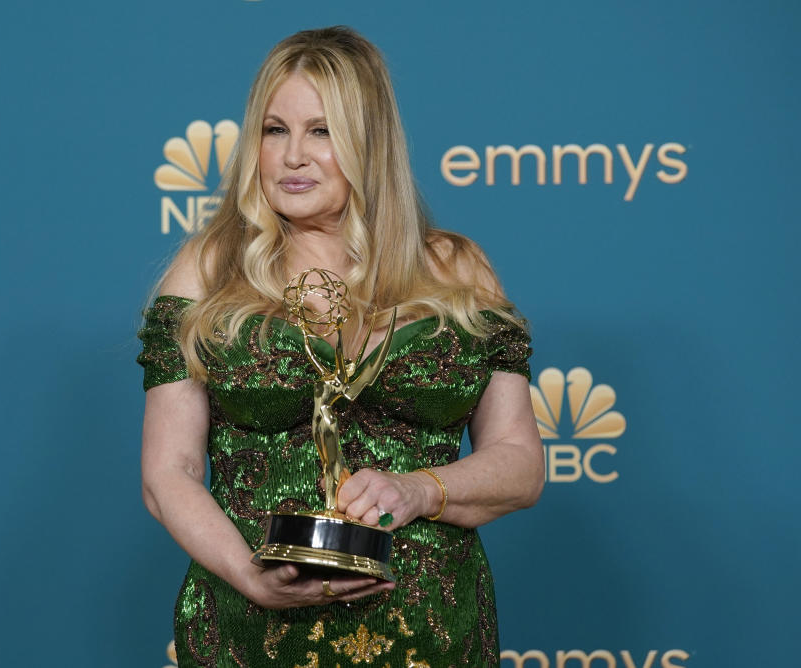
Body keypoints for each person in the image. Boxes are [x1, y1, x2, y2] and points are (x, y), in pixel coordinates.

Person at [138, 26, 544, 667]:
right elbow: (169, 474)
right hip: (251, 625)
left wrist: (417, 490)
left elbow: (520, 464)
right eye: (275, 131)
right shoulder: (209, 270)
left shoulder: (456, 271)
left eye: (321, 131)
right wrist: (249, 576)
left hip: (429, 629)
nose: (292, 156)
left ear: (369, 142)